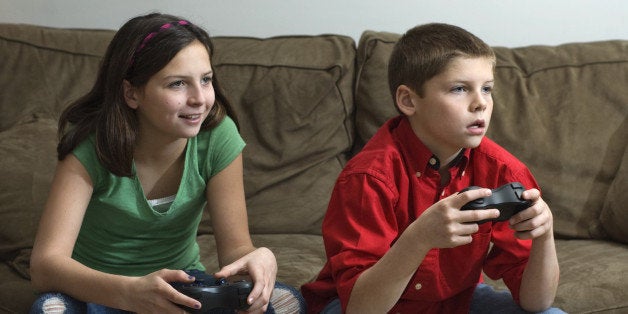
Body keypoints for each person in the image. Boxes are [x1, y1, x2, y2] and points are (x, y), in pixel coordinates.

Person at [29, 13, 305, 314]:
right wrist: (128, 293)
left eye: (206, 80)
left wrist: (256, 258)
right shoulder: (92, 145)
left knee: (285, 301)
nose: (199, 98)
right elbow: (45, 266)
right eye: (177, 84)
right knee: (51, 309)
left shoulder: (217, 136)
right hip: (102, 290)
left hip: (182, 289)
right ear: (132, 93)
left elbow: (235, 251)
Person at [301, 23, 562, 313]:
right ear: (409, 100)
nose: (480, 104)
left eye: (487, 89)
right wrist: (418, 239)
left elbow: (537, 302)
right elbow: (361, 308)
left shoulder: (504, 170)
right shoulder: (368, 177)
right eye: (460, 89)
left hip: (455, 301)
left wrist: (545, 236)